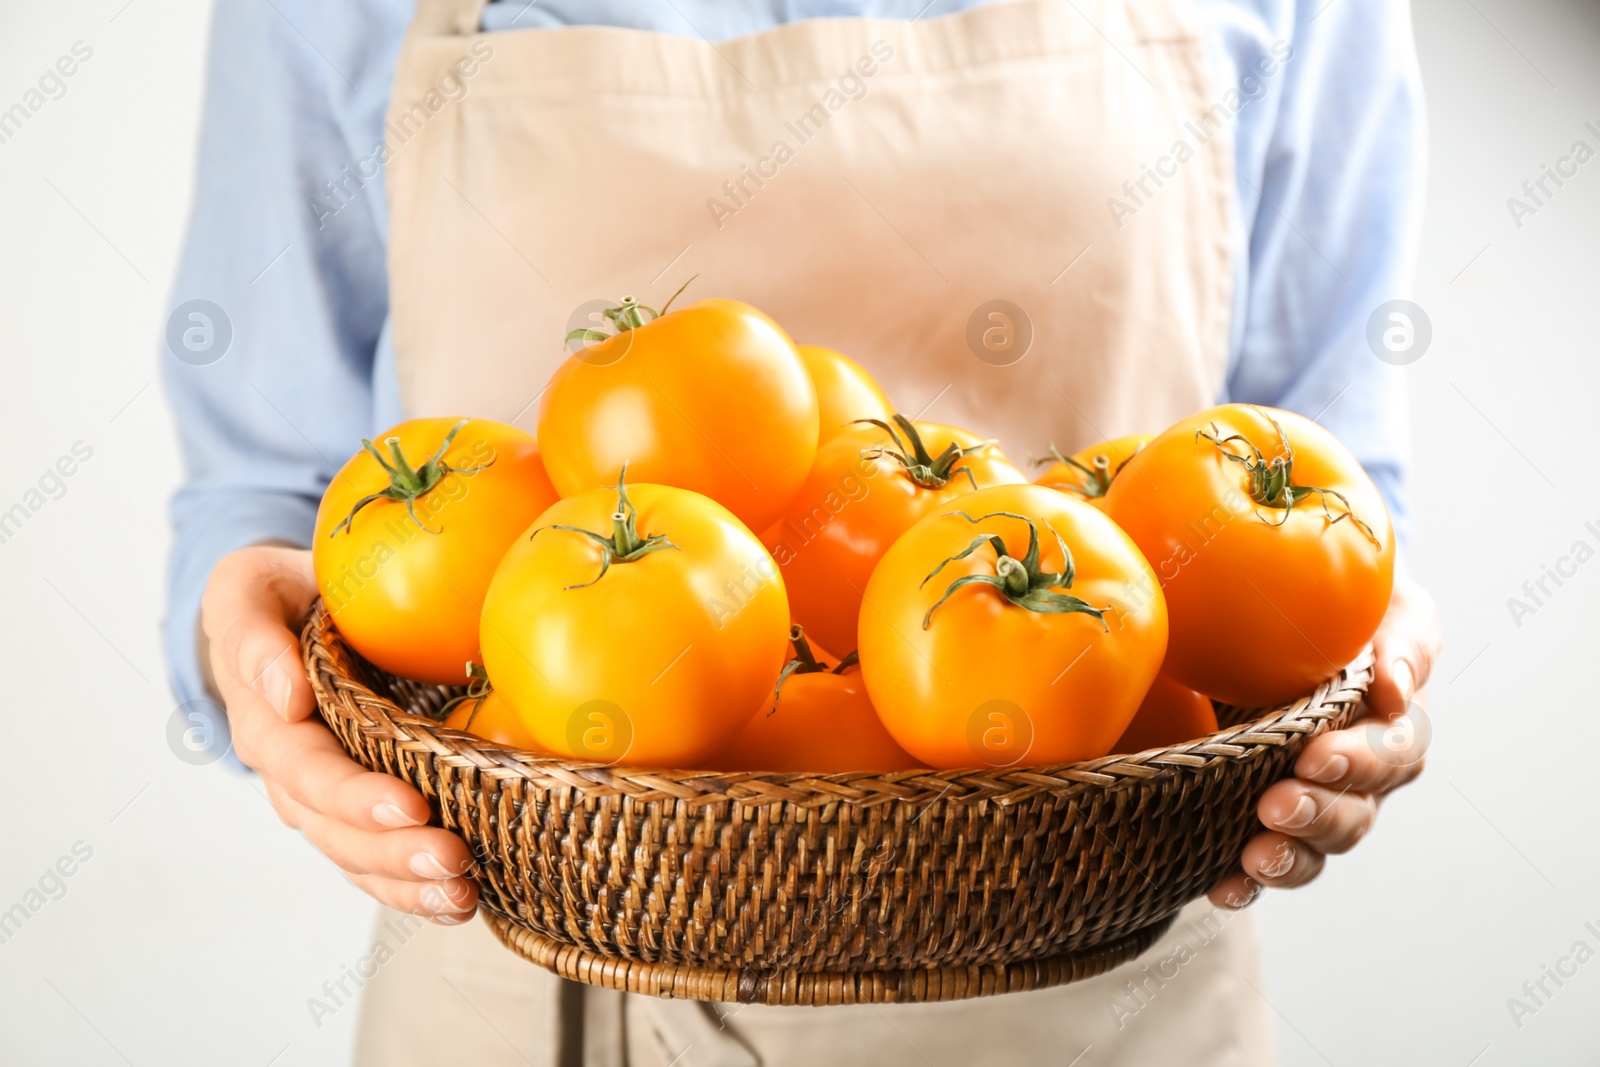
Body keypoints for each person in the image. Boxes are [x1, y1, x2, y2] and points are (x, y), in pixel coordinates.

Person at [165, 0, 1442, 1063]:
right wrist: (250, 639)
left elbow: (1336, 485)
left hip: (1115, 972)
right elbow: (266, 490)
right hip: (521, 968)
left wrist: (1363, 668)